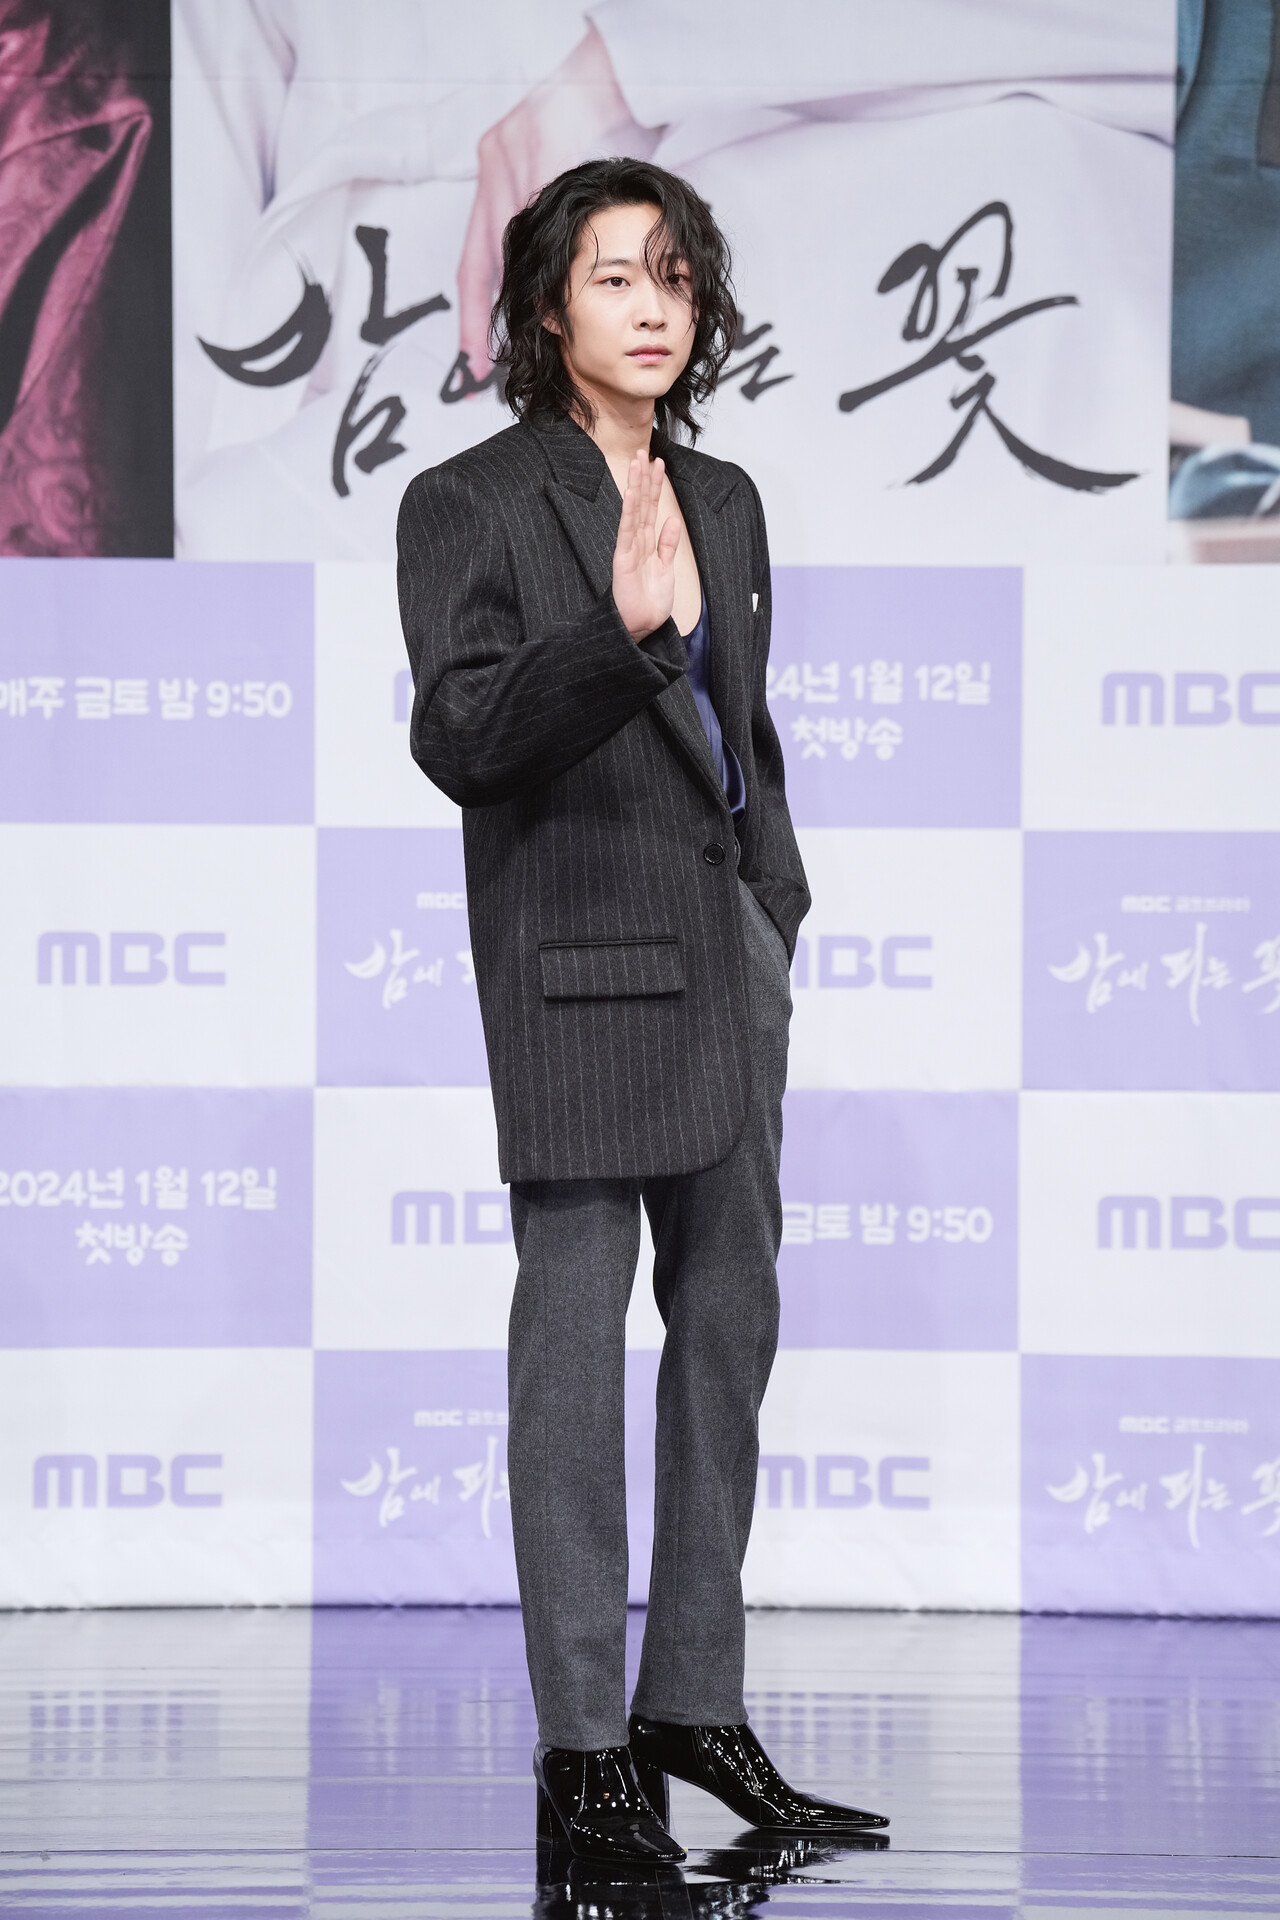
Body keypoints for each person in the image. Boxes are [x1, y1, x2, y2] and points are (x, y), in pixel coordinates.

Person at [397, 157, 888, 1863]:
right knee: (571, 1360)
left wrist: (772, 903)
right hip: (581, 972)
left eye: (674, 276)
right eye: (614, 277)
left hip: (726, 965)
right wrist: (613, 639)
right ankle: (583, 1747)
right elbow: (462, 736)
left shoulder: (725, 497)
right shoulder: (469, 501)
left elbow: (743, 734)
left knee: (730, 1334)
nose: (653, 306)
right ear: (548, 308)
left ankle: (694, 1704)